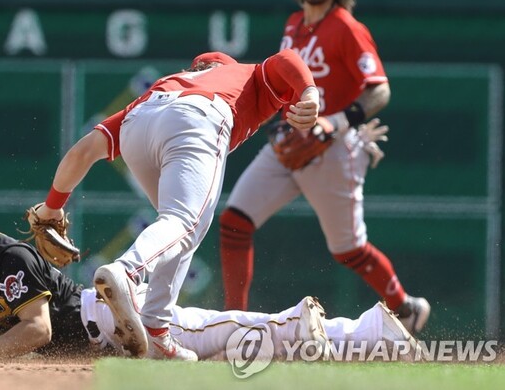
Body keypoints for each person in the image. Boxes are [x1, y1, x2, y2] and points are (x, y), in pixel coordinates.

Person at [0, 164, 416, 363]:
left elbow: (35, 330)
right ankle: (353, 335)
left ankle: (364, 331)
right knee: (217, 350)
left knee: (216, 336)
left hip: (104, 323)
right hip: (99, 339)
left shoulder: (7, 255)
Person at [32, 48, 320, 360]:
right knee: (185, 221)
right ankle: (127, 272)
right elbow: (285, 58)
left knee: (177, 231)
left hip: (137, 125)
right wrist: (310, 93)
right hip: (199, 116)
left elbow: (83, 152)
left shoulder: (165, 85)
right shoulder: (243, 75)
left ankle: (156, 330)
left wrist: (51, 207)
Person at [218, 0, 430, 334]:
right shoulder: (294, 25)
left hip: (334, 146)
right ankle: (234, 324)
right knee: (234, 221)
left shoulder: (347, 28)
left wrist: (336, 122)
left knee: (347, 250)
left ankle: (406, 307)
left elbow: (380, 89)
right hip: (288, 142)